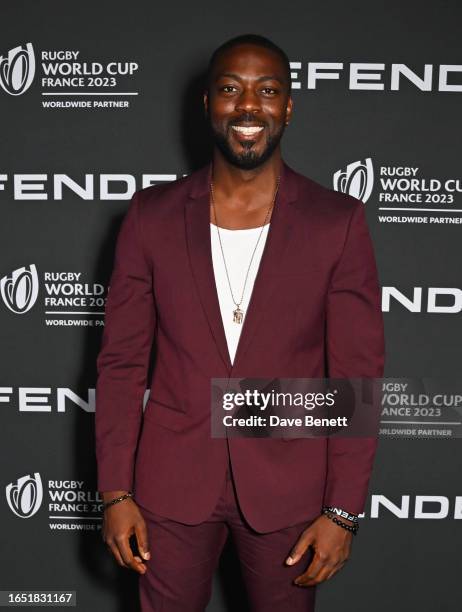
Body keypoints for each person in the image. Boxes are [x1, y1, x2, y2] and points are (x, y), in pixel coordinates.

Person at [95, 33, 385, 612]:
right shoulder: (151, 217)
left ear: (288, 107)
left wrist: (343, 510)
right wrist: (114, 492)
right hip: (169, 486)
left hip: (289, 489)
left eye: (268, 91)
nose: (248, 106)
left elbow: (356, 379)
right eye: (231, 89)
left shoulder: (337, 222)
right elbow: (122, 364)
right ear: (207, 103)